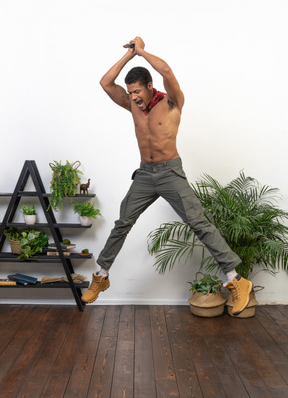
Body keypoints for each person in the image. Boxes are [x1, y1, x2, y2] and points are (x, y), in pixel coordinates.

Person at [81, 36, 252, 315]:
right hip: (145, 174)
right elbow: (105, 83)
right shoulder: (132, 105)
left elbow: (167, 72)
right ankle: (101, 276)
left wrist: (144, 52)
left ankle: (236, 280)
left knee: (200, 223)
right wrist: (129, 56)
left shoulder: (172, 103)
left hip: (170, 172)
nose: (134, 96)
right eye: (131, 92)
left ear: (150, 86)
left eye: (137, 91)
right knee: (122, 222)